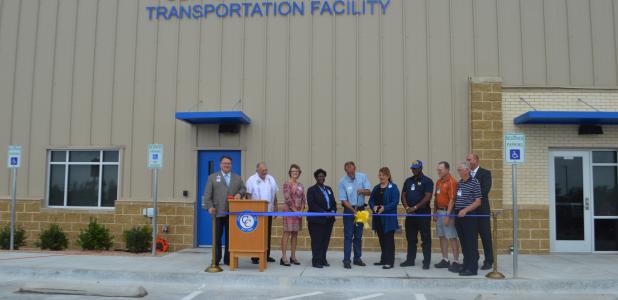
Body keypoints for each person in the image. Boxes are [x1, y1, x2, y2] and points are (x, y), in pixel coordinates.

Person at [202, 155, 246, 266]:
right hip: (217, 212)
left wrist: (239, 194)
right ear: (220, 164)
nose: (227, 165)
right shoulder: (212, 177)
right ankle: (216, 259)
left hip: (232, 213)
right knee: (217, 237)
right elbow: (207, 194)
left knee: (230, 238)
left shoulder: (237, 178)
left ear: (231, 165)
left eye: (229, 163)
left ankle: (228, 259)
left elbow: (243, 189)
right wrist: (209, 206)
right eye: (225, 163)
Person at [400, 160, 434, 269]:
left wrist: (415, 207)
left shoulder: (427, 181)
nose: (414, 170)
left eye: (416, 168)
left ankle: (426, 262)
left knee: (425, 238)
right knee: (411, 238)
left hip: (422, 214)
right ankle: (410, 260)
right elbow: (403, 195)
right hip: (410, 214)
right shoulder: (408, 181)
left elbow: (427, 196)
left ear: (421, 168)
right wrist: (407, 207)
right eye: (412, 168)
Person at [338, 161, 371, 269]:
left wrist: (363, 191)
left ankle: (357, 258)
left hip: (361, 210)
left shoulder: (362, 177)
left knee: (358, 236)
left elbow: (369, 191)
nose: (351, 174)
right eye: (349, 172)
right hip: (349, 210)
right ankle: (346, 260)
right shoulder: (342, 181)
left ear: (355, 169)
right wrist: (353, 210)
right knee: (348, 236)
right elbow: (343, 200)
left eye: (352, 171)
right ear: (346, 171)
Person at [246, 162, 278, 264]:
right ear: (257, 170)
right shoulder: (251, 180)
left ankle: (266, 255)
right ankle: (255, 256)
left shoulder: (270, 178)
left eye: (266, 170)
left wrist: (275, 207)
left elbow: (274, 194)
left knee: (267, 233)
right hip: (256, 213)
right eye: (262, 170)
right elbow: (248, 196)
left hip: (268, 211)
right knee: (256, 235)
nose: (265, 172)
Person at [454, 161, 483, 276]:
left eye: (460, 170)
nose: (459, 172)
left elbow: (478, 201)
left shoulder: (474, 182)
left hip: (469, 216)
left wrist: (465, 210)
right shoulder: (460, 183)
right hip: (459, 215)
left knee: (471, 243)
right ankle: (466, 265)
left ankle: (472, 268)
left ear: (467, 170)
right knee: (464, 243)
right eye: (458, 170)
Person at [368, 167, 400, 269]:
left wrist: (384, 208)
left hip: (388, 219)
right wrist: (373, 206)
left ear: (388, 176)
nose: (381, 177)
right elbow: (371, 200)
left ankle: (389, 262)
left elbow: (395, 202)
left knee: (389, 240)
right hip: (378, 218)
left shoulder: (393, 187)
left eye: (383, 175)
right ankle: (383, 259)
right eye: (380, 175)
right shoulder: (376, 187)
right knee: (381, 239)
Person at [432, 161, 461, 272]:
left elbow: (452, 200)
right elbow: (436, 198)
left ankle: (456, 261)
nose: (438, 171)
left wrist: (447, 216)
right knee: (442, 236)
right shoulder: (438, 182)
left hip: (447, 212)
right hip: (439, 212)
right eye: (438, 169)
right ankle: (445, 259)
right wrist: (434, 212)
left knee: (452, 236)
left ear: (447, 169)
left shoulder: (452, 182)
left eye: (441, 169)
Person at [466, 153, 493, 270]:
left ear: (476, 160)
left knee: (485, 236)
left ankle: (489, 260)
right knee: (472, 236)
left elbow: (485, 190)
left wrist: (470, 193)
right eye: (467, 160)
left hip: (482, 210)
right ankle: (473, 259)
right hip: (470, 211)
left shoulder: (485, 173)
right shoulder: (466, 174)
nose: (468, 162)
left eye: (470, 159)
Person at [306, 169, 337, 269]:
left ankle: (323, 259)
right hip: (316, 220)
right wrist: (323, 212)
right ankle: (316, 261)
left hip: (329, 220)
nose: (321, 178)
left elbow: (334, 203)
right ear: (315, 178)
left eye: (323, 176)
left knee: (325, 240)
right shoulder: (311, 190)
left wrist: (332, 211)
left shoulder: (329, 189)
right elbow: (312, 204)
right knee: (317, 241)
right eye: (319, 176)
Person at [280, 164, 306, 266]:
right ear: (290, 173)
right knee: (287, 233)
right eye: (293, 171)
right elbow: (288, 199)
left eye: (297, 171)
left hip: (298, 213)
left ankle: (293, 256)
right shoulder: (287, 184)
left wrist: (301, 211)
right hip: (289, 211)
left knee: (295, 234)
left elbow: (304, 199)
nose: (295, 173)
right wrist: (295, 211)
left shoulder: (301, 185)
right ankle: (283, 257)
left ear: (299, 173)